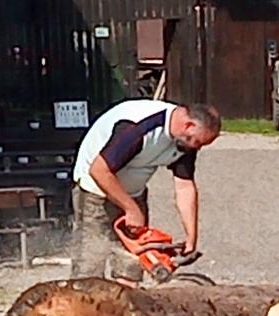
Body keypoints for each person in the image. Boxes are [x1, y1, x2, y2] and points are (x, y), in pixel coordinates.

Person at [70, 92, 218, 278]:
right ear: (188, 125)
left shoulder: (185, 142)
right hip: (96, 189)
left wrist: (191, 237)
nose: (197, 148)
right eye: (198, 142)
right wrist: (131, 209)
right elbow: (99, 170)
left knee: (132, 263)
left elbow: (184, 186)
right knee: (90, 263)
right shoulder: (137, 128)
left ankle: (125, 301)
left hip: (134, 191)